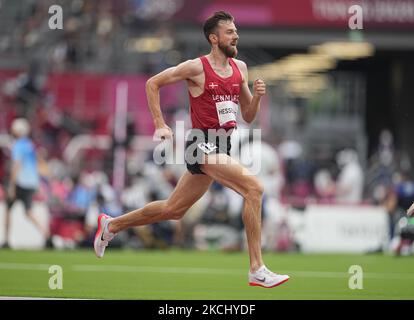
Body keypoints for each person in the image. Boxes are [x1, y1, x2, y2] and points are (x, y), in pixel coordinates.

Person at [94, 11, 289, 288]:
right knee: (254, 189)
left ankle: (111, 225)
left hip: (223, 144)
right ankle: (256, 268)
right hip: (201, 143)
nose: (236, 36)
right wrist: (160, 124)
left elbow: (247, 115)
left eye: (236, 31)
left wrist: (256, 97)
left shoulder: (240, 68)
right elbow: (153, 83)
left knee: (173, 209)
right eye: (230, 32)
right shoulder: (196, 67)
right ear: (214, 38)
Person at [3, 118, 51, 248]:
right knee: (27, 212)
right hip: (31, 183)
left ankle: (7, 241)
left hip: (21, 182)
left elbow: (17, 166)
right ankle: (47, 235)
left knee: (9, 209)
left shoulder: (18, 145)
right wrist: (37, 184)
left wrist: (12, 185)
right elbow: (35, 165)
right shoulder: (30, 145)